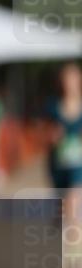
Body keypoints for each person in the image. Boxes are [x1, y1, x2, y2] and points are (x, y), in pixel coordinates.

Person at [46, 63, 82, 224]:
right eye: (66, 78)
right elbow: (42, 133)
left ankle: (74, 240)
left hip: (78, 163)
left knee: (74, 194)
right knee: (62, 202)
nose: (70, 82)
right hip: (58, 162)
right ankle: (61, 224)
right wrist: (52, 136)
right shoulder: (52, 105)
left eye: (73, 78)